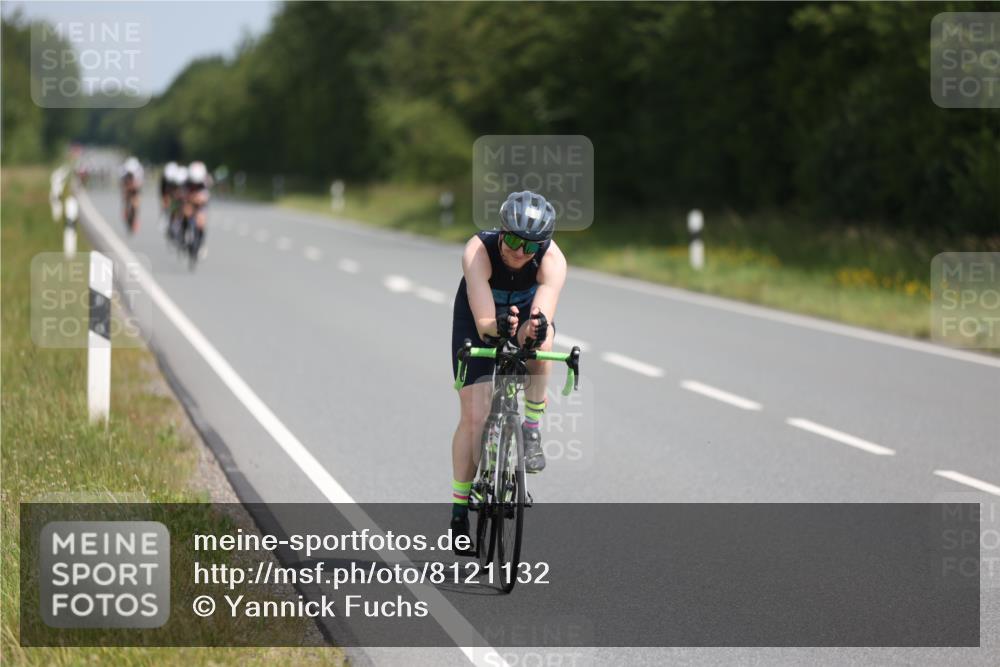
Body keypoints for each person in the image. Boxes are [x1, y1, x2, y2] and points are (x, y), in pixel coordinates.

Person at [449, 190, 567, 540]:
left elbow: (540, 317)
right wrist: (499, 327)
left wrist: (532, 330)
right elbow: (485, 324)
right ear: (501, 232)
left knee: (543, 341)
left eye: (529, 246)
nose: (519, 252)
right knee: (475, 414)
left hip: (524, 315)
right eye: (513, 240)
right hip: (479, 317)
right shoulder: (478, 251)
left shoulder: (553, 260)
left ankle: (531, 428)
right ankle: (459, 510)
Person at [181, 161, 212, 258]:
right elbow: (182, 195)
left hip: (200, 204)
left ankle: (201, 244)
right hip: (189, 201)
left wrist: (198, 199)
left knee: (201, 221)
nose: (195, 184)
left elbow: (205, 198)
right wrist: (189, 199)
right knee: (186, 212)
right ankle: (185, 233)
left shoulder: (206, 182)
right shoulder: (186, 181)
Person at [120, 156, 144, 233]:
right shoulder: (124, 171)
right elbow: (122, 184)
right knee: (125, 197)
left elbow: (139, 185)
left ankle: (135, 219)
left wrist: (134, 187)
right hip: (126, 184)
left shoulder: (139, 171)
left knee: (136, 202)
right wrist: (125, 191)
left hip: (136, 186)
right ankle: (126, 210)